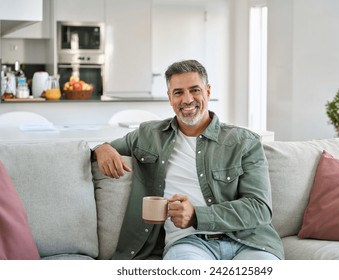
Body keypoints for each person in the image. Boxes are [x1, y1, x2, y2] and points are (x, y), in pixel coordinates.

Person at [93, 59, 284, 260]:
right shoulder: (148, 135)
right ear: (169, 97)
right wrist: (101, 148)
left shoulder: (244, 142)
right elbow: (104, 149)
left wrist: (197, 216)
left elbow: (259, 209)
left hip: (248, 242)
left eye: (194, 90)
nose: (187, 99)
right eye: (178, 92)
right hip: (188, 243)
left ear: (208, 92)